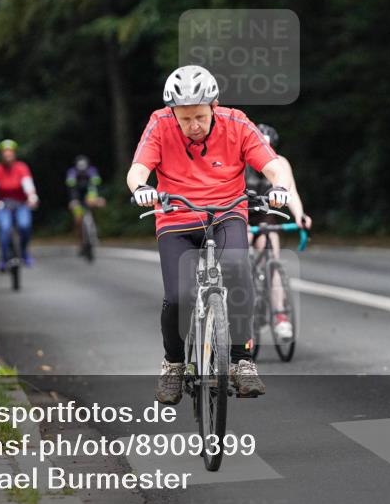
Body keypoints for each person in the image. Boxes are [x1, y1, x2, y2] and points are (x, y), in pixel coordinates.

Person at [126, 65, 293, 404]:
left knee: (238, 271)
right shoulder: (160, 123)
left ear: (215, 105)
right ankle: (173, 364)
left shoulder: (236, 122)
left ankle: (241, 360)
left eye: (200, 116)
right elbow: (138, 169)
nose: (193, 126)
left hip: (227, 212)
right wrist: (142, 187)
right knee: (177, 297)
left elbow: (271, 163)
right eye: (184, 119)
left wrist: (280, 187)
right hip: (176, 218)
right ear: (173, 112)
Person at [245, 124, 312, 342]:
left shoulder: (280, 163)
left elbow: (290, 191)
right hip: (239, 215)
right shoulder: (239, 161)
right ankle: (242, 313)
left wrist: (300, 217)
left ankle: (280, 315)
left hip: (265, 216)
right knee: (239, 254)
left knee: (272, 259)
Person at [0, 139, 39, 271]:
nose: (8, 156)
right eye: (5, 153)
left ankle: (24, 252)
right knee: (5, 228)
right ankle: (4, 258)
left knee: (24, 225)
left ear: (14, 154)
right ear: (1, 155)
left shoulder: (21, 167)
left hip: (21, 203)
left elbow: (28, 185)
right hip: (3, 205)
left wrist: (32, 197)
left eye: (10, 153)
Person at [66, 155, 105, 248]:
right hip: (76, 197)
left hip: (89, 195)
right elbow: (71, 188)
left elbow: (95, 186)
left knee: (94, 206)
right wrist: (73, 201)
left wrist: (96, 199)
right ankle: (80, 240)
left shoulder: (92, 171)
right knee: (78, 218)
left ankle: (95, 228)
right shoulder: (72, 172)